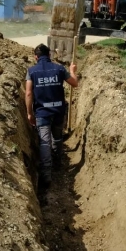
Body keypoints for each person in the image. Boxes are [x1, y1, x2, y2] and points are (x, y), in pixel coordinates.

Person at [25, 44, 78, 184]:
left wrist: (29, 113)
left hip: (42, 113)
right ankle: (57, 163)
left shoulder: (31, 71)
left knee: (44, 142)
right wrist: (72, 71)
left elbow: (28, 93)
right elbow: (74, 83)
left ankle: (46, 175)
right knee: (57, 137)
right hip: (59, 111)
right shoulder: (59, 69)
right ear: (49, 55)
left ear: (35, 57)